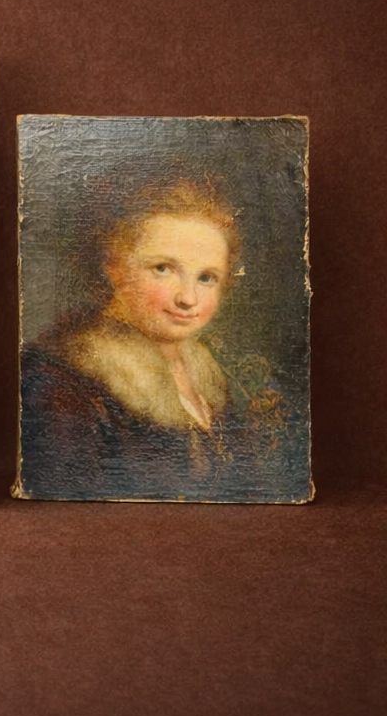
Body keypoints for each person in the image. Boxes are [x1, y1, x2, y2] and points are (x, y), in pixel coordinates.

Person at [18, 176, 289, 500]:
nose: (188, 298)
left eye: (206, 277)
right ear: (113, 265)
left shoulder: (214, 376)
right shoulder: (61, 383)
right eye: (163, 268)